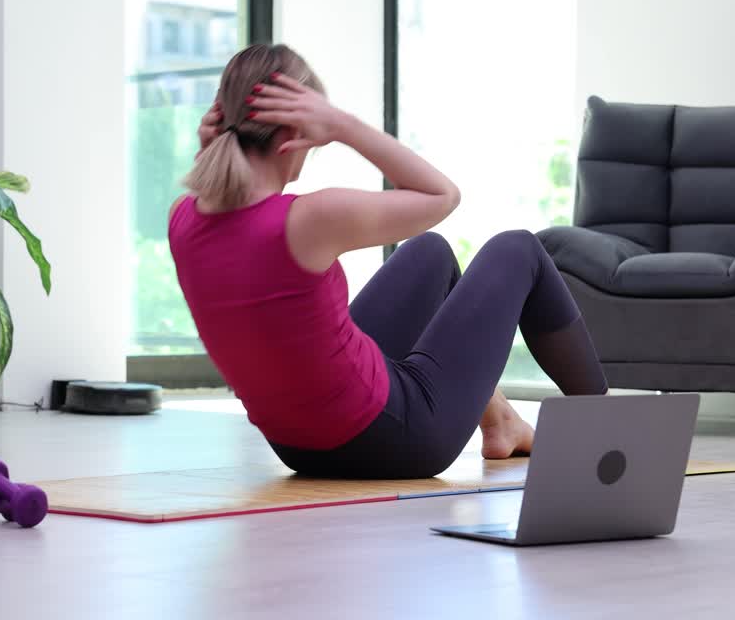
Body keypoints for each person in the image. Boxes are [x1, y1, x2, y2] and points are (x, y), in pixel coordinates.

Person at [168, 44, 607, 480]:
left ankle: (500, 422)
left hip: (297, 446)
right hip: (395, 441)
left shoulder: (182, 221)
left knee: (429, 252)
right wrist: (342, 125)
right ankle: (613, 431)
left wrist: (209, 152)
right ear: (291, 136)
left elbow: (227, 220)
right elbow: (442, 195)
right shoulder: (306, 220)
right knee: (519, 250)